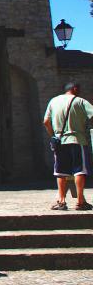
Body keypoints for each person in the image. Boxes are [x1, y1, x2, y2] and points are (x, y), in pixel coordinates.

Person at [43, 81, 93, 211]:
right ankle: (80, 201)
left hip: (59, 141)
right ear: (75, 89)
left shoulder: (53, 101)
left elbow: (46, 121)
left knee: (60, 172)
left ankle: (61, 201)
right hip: (78, 140)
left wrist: (53, 134)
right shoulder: (80, 101)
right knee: (79, 171)